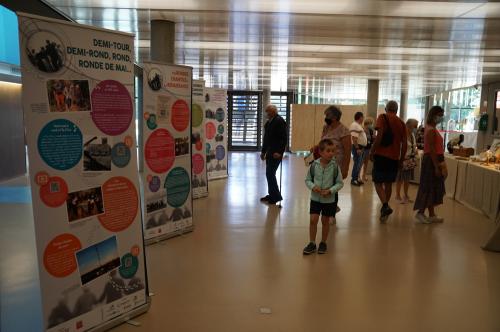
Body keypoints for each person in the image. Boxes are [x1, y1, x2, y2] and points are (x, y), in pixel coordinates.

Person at [303, 139, 344, 255]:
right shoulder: (314, 165)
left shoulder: (335, 166)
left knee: (325, 221)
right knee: (313, 220)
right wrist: (313, 187)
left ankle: (323, 242)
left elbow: (340, 183)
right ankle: (312, 243)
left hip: (329, 200)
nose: (331, 153)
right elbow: (307, 180)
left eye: (333, 151)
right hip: (315, 199)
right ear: (321, 152)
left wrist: (331, 191)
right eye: (328, 151)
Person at [369, 100, 407, 222]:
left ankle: (385, 206)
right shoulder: (401, 123)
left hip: (381, 155)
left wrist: (372, 151)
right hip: (394, 157)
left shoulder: (382, 117)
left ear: (386, 109)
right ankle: (384, 212)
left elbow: (379, 135)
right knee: (388, 183)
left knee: (377, 182)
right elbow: (405, 144)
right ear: (397, 110)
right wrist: (401, 159)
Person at [414, 106, 447, 224]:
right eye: (440, 115)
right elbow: (432, 149)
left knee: (432, 187)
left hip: (433, 159)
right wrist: (437, 166)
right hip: (431, 160)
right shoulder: (431, 130)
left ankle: (431, 214)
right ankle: (421, 212)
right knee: (428, 186)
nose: (441, 118)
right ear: (434, 115)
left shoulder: (431, 128)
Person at [260, 104, 287, 205]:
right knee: (269, 174)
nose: (266, 113)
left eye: (268, 111)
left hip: (276, 153)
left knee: (270, 173)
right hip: (270, 152)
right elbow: (266, 139)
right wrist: (263, 152)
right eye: (266, 111)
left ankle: (275, 196)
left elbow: (284, 139)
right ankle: (272, 194)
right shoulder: (269, 123)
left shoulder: (279, 121)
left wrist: (280, 152)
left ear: (274, 112)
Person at [395, 119, 419, 204]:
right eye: (415, 126)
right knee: (400, 178)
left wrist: (415, 151)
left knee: (407, 179)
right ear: (409, 126)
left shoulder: (412, 135)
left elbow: (414, 146)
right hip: (402, 160)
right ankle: (397, 195)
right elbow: (398, 148)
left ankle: (406, 195)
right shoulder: (401, 135)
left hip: (410, 160)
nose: (416, 128)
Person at [349, 112, 368, 186]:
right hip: (358, 147)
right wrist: (357, 148)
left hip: (360, 147)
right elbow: (354, 138)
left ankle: (356, 178)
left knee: (358, 163)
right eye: (362, 117)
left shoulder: (358, 125)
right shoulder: (355, 125)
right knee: (357, 163)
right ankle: (354, 179)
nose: (363, 119)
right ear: (360, 117)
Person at [360, 117, 375, 182]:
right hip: (363, 149)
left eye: (371, 124)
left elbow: (373, 139)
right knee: (360, 163)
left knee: (366, 163)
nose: (371, 125)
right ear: (366, 123)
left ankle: (364, 175)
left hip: (369, 149)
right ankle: (358, 175)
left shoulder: (371, 130)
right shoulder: (362, 130)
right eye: (370, 123)